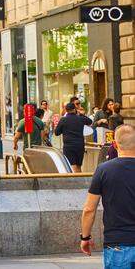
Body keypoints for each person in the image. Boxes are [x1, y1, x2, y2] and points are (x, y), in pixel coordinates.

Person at [80, 124, 135, 267]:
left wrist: (85, 237)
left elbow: (89, 209)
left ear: (115, 144)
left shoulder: (104, 170)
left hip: (118, 243)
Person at [55, 102, 93, 172]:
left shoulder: (63, 120)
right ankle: (80, 180)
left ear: (66, 110)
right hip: (80, 145)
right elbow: (90, 121)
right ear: (75, 109)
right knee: (79, 166)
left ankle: (76, 181)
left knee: (72, 166)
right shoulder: (80, 118)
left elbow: (57, 133)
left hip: (68, 146)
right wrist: (81, 114)